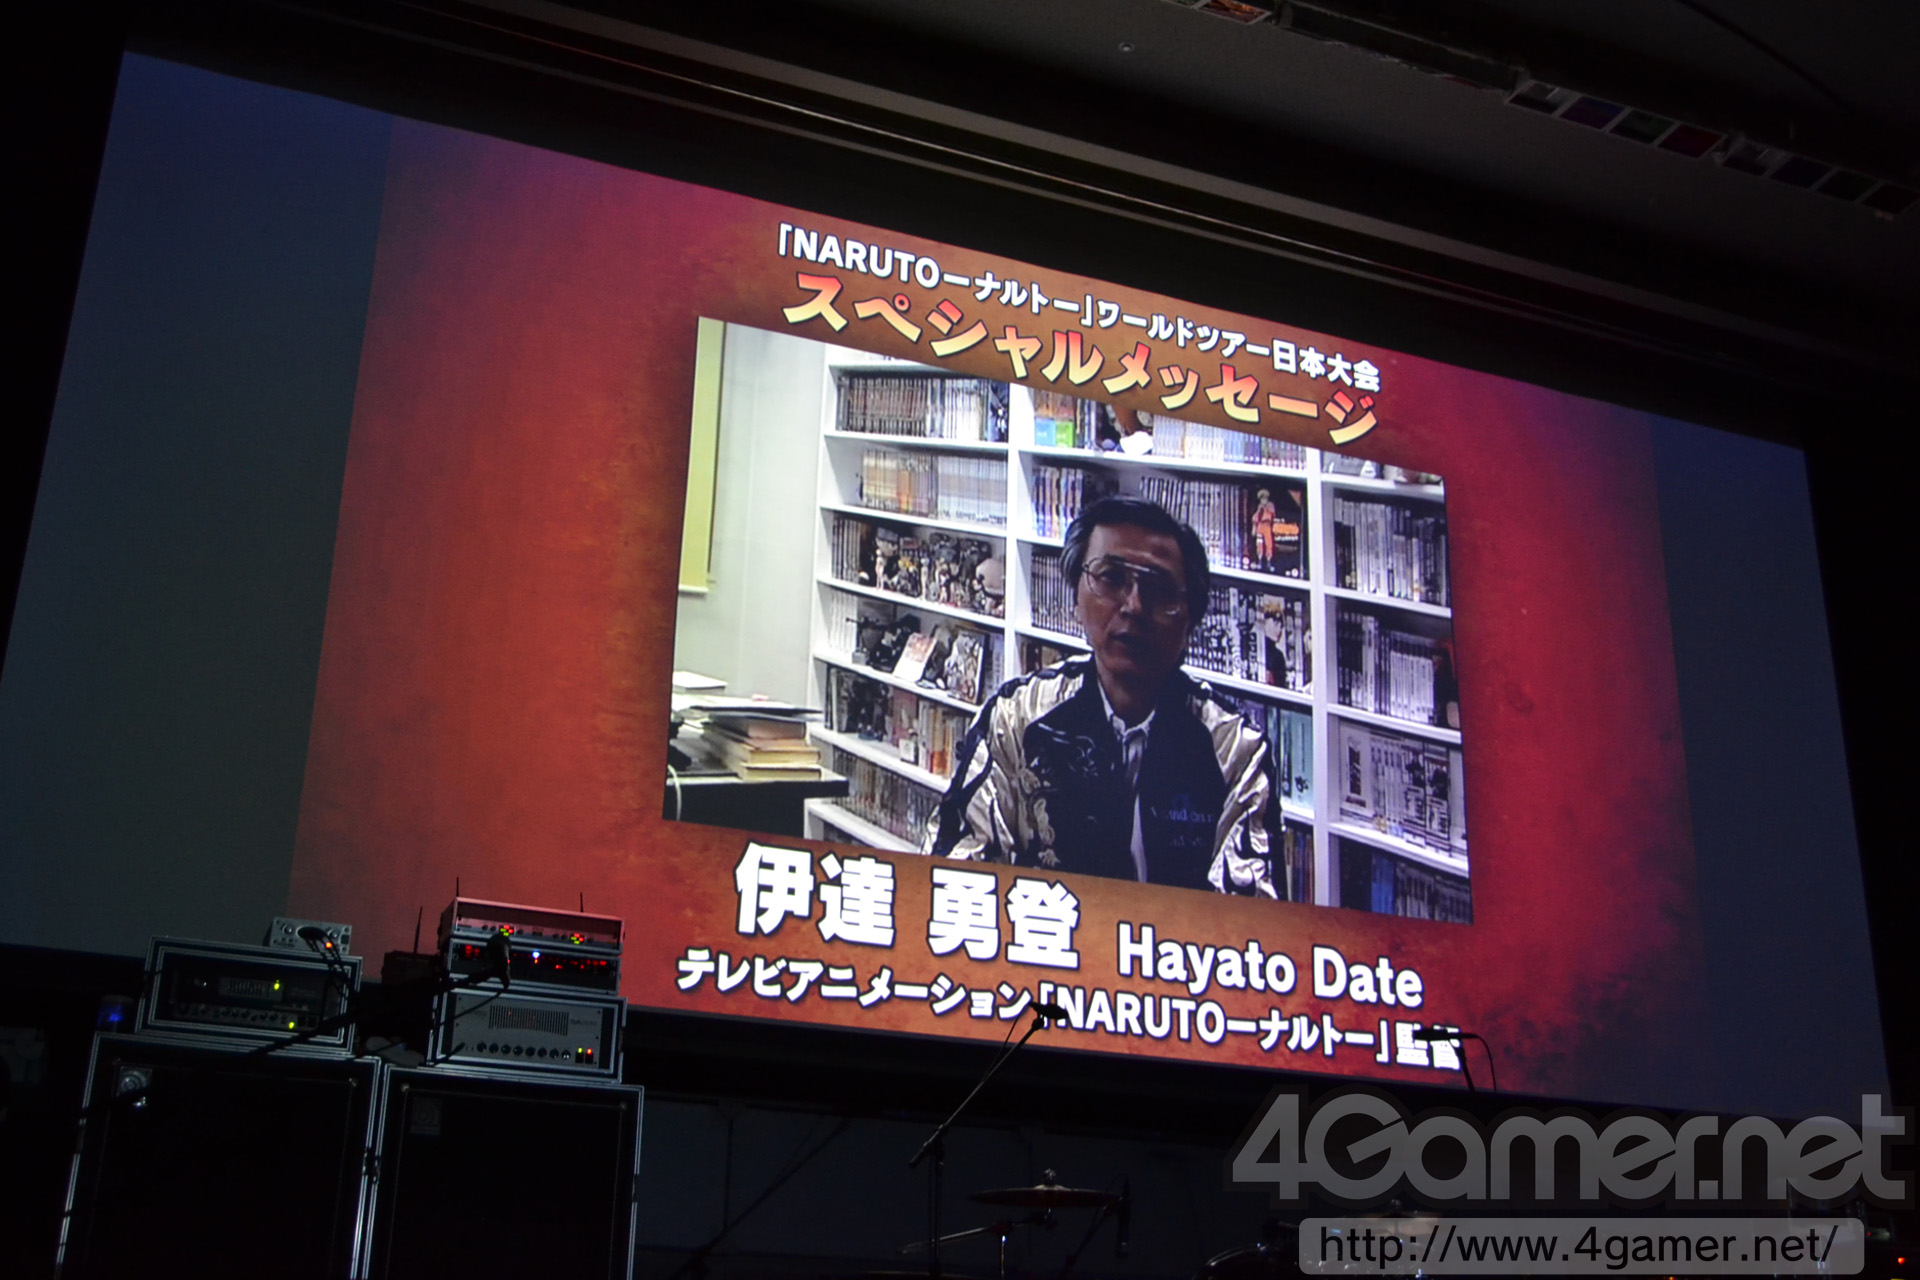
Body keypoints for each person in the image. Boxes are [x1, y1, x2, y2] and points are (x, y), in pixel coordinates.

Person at [924, 496, 1276, 895]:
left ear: (1190, 621)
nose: (1134, 606)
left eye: (1159, 589)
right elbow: (952, 875)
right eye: (1111, 578)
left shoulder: (1234, 750)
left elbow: (1248, 916)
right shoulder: (1016, 718)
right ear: (1076, 597)